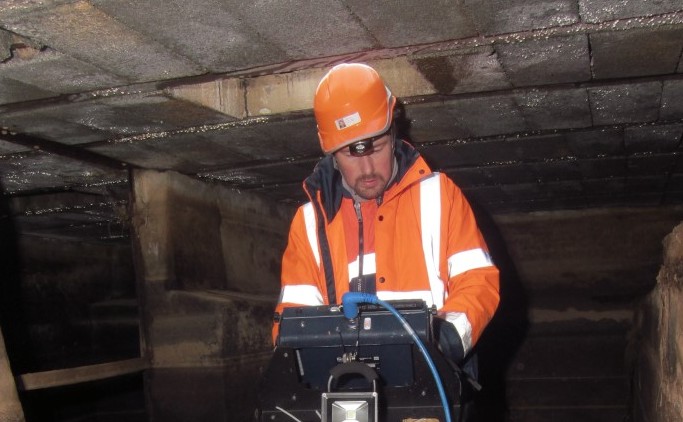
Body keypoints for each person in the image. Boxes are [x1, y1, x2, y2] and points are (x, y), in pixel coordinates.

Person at [273, 62, 499, 375]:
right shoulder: (310, 222)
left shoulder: (439, 194)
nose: (367, 169)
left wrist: (444, 340)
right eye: (351, 155)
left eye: (376, 147)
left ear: (392, 133)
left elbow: (479, 281)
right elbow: (292, 318)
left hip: (434, 379)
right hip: (346, 385)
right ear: (331, 155)